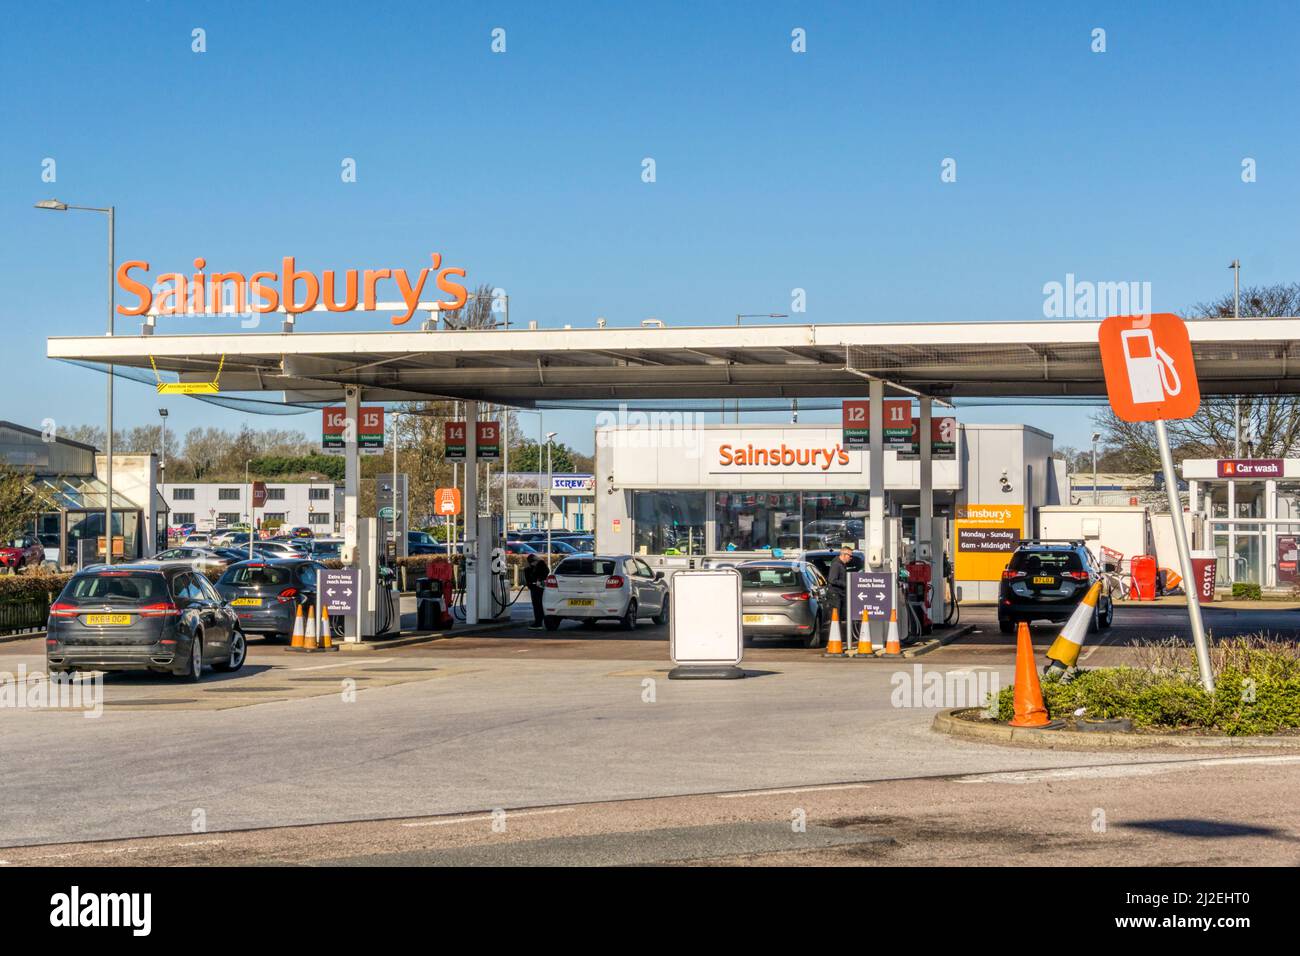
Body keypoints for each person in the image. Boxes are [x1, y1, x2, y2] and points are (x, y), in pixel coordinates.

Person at [825, 541, 854, 624]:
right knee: (835, 618)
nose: (851, 558)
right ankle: (834, 635)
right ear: (844, 554)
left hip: (840, 595)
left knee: (839, 618)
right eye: (850, 556)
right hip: (835, 595)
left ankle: (838, 634)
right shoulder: (836, 564)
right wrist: (847, 584)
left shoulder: (842, 564)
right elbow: (832, 579)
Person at [524, 552, 549, 629]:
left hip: (539, 587)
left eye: (533, 563)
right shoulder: (529, 568)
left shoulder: (540, 564)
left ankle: (539, 623)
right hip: (535, 588)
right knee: (537, 605)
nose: (532, 564)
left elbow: (545, 572)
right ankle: (539, 622)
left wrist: (539, 580)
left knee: (538, 605)